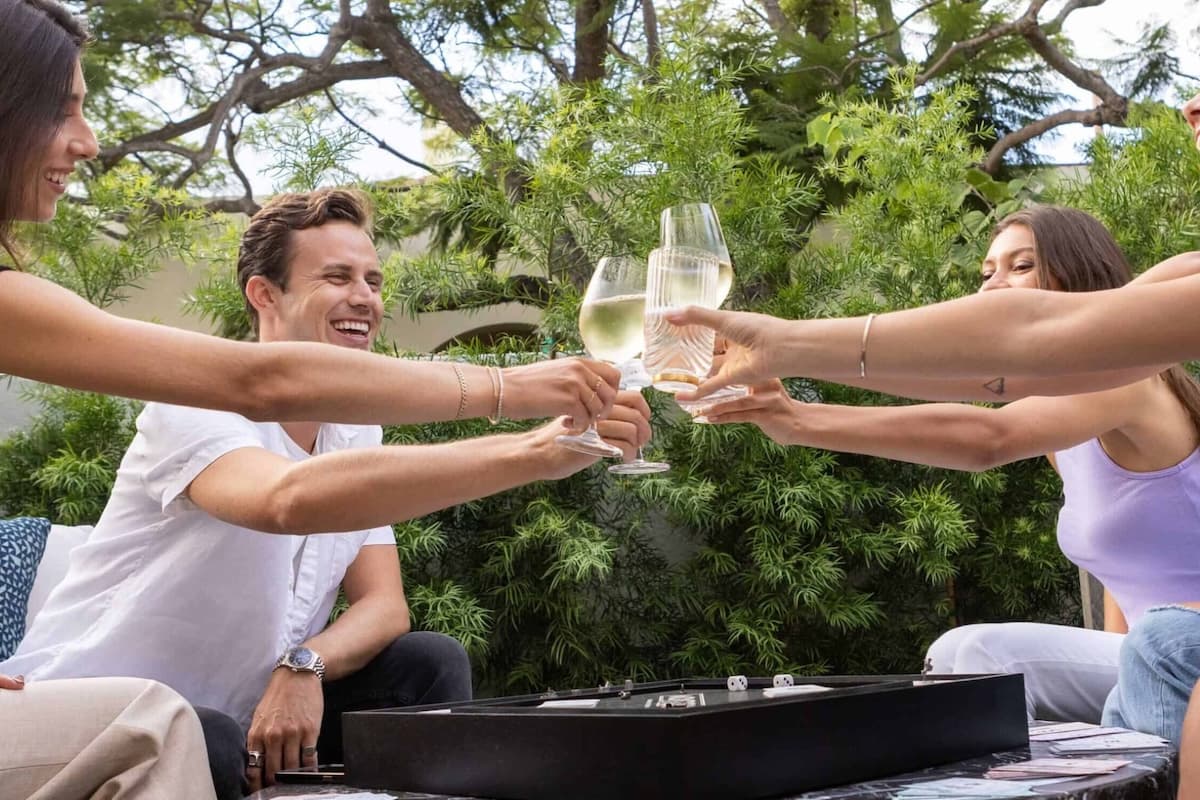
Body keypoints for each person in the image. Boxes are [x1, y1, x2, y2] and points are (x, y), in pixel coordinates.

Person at [0, 1, 618, 797]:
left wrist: (305, 662)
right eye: (65, 110)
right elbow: (273, 439)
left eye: (373, 279)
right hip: (120, 702)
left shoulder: (356, 424)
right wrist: (514, 398)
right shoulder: (187, 397)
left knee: (426, 664)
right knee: (182, 727)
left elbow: (383, 603)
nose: (88, 141)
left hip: (231, 707)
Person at [699, 205, 1200, 723]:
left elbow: (988, 435)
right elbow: (1129, 576)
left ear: (1078, 274)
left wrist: (799, 414)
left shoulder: (1128, 382)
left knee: (979, 654)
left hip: (1178, 648)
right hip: (1153, 660)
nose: (994, 287)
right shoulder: (1071, 427)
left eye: (1021, 266)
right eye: (987, 273)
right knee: (978, 663)